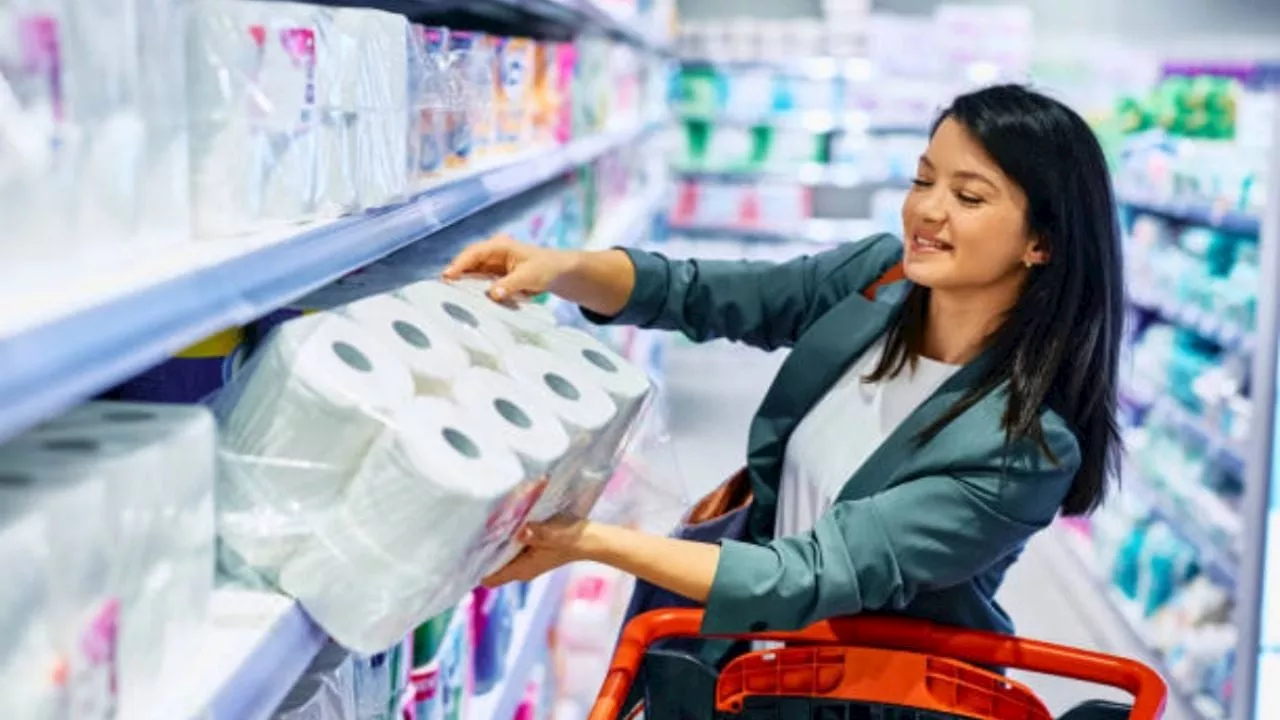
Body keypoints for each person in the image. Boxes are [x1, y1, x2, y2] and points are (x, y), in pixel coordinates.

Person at [444, 83, 1123, 706]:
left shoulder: (1023, 447)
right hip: (752, 663)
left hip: (866, 698)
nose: (927, 209)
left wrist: (591, 541)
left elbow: (808, 575)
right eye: (924, 179)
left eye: (968, 197)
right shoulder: (877, 282)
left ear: (1041, 243)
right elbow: (700, 291)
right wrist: (564, 270)